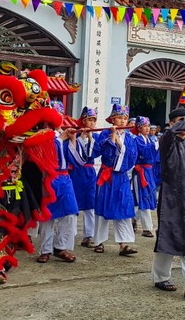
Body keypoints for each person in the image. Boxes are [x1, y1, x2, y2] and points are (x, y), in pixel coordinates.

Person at [152, 108, 185, 299]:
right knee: (167, 239)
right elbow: (169, 136)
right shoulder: (167, 143)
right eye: (180, 121)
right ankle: (160, 277)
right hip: (170, 200)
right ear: (171, 125)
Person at [37, 101, 80, 264]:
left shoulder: (63, 134)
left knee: (70, 212)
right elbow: (48, 153)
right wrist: (62, 138)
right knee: (48, 215)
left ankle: (61, 247)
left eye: (60, 115)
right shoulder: (43, 134)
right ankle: (46, 249)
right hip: (49, 177)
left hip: (65, 178)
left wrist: (73, 139)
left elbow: (74, 160)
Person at [93, 104, 138, 256]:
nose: (122, 121)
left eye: (125, 118)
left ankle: (124, 244)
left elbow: (132, 158)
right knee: (102, 207)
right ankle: (99, 241)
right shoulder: (104, 134)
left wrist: (120, 144)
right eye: (119, 118)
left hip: (121, 177)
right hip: (107, 175)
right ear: (113, 119)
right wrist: (112, 138)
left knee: (123, 208)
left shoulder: (131, 138)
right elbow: (100, 152)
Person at [70, 106, 100, 248]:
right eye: (89, 120)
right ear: (83, 120)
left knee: (90, 204)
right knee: (74, 203)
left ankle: (89, 235)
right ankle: (71, 234)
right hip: (76, 172)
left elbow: (95, 153)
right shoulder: (74, 134)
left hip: (89, 173)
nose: (92, 123)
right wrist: (81, 138)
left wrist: (90, 138)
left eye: (94, 120)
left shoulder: (97, 136)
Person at [132, 116, 159, 238]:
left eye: (148, 126)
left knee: (149, 197)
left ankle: (133, 217)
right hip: (141, 171)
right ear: (139, 128)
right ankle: (147, 228)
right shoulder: (138, 140)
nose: (147, 129)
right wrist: (156, 144)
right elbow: (144, 152)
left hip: (150, 170)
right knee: (144, 197)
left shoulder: (149, 140)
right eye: (144, 126)